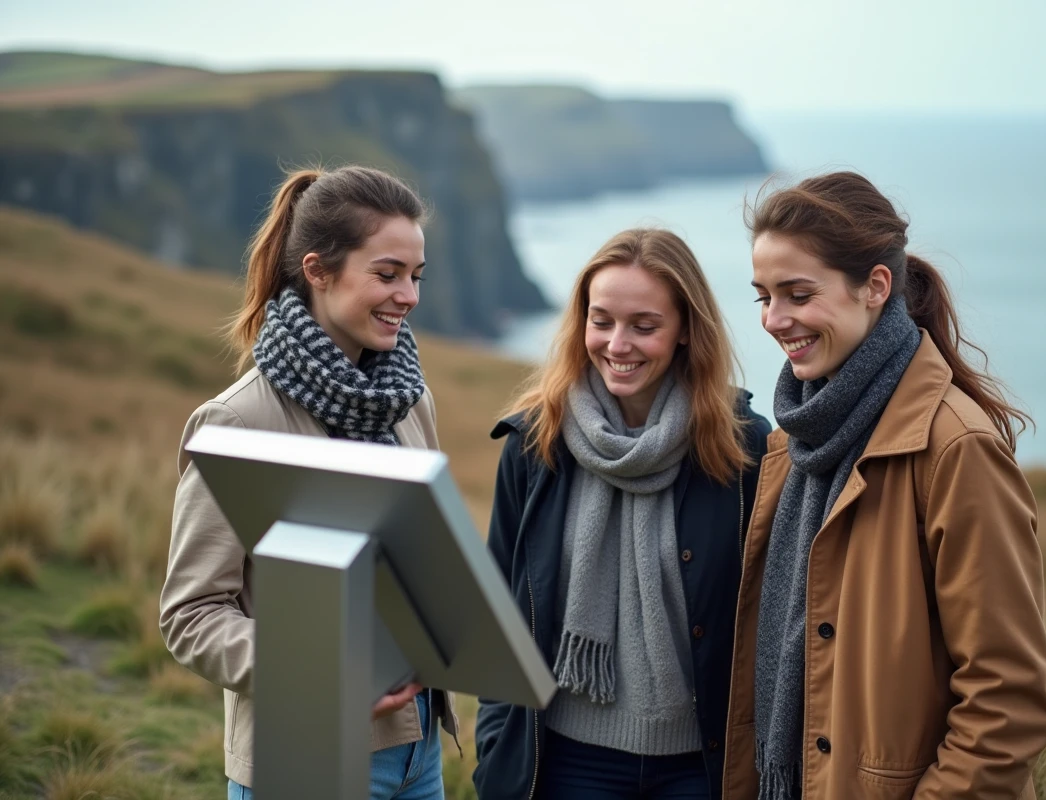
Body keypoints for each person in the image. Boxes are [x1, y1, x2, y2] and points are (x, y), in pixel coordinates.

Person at [723, 171, 1046, 800]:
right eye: (763, 296)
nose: (773, 319)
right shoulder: (793, 443)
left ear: (876, 287)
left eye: (797, 293)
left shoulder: (955, 448)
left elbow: (1007, 701)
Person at [160, 165, 456, 800]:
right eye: (387, 274)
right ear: (319, 271)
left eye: (415, 276)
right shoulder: (239, 420)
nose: (409, 295)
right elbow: (192, 616)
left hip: (419, 752)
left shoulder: (411, 400)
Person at [472, 228, 772, 800]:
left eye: (644, 325)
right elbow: (498, 610)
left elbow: (773, 621)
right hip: (563, 761)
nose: (617, 343)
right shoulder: (536, 442)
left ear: (685, 330)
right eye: (601, 320)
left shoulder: (742, 449)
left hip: (699, 768)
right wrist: (495, 746)